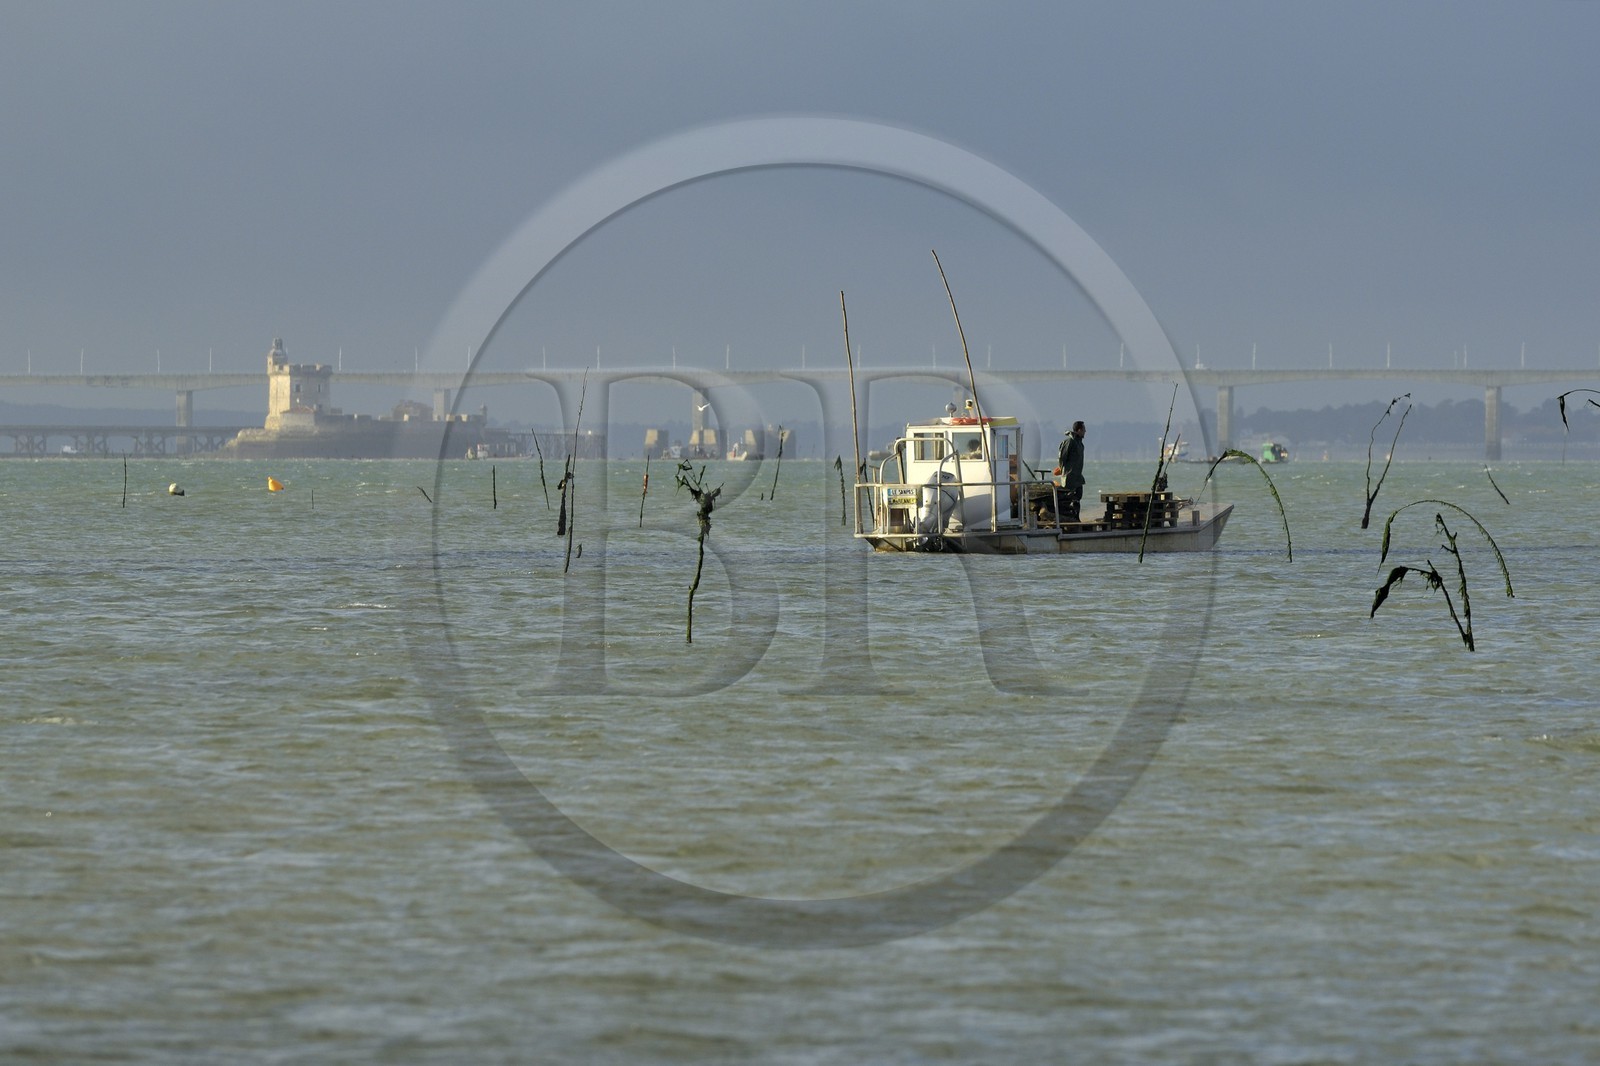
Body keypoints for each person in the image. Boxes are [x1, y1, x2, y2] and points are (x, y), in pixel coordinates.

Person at [1056, 420, 1086, 521]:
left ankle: (1076, 518)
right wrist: (1061, 469)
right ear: (1078, 430)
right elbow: (1062, 458)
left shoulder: (1080, 444)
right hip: (1070, 477)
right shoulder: (1069, 442)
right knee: (1070, 499)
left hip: (1078, 477)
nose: (1085, 431)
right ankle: (1071, 519)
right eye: (1083, 429)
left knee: (1078, 497)